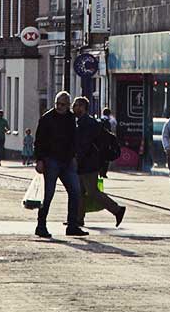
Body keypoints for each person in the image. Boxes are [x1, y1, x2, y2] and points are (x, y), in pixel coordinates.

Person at [31, 92, 84, 239]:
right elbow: (39, 141)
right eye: (57, 104)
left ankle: (72, 225)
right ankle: (41, 225)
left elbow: (74, 139)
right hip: (51, 160)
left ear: (68, 105)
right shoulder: (47, 118)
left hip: (67, 161)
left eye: (62, 105)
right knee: (48, 194)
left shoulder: (71, 118)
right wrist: (39, 160)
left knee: (75, 191)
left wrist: (74, 156)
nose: (59, 107)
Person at [73, 96, 127, 227]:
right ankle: (78, 219)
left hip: (89, 163)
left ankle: (117, 210)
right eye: (74, 105)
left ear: (83, 107)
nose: (74, 108)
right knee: (79, 191)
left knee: (92, 192)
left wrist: (77, 157)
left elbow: (84, 145)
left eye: (77, 105)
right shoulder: (81, 121)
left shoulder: (87, 123)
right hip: (84, 162)